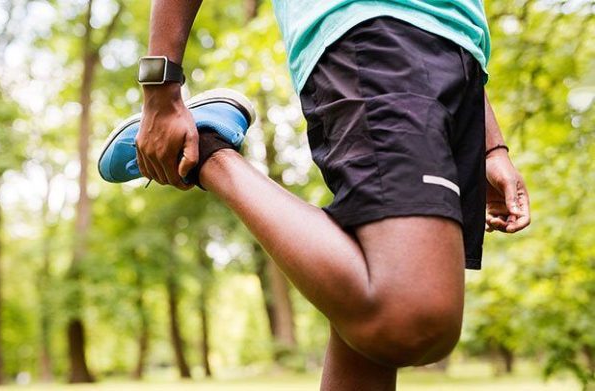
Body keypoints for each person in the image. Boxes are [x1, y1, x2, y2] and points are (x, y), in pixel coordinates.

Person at [100, 1, 531, 389]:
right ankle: (211, 152)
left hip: (455, 59)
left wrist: (490, 142)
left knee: (364, 350)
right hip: (375, 30)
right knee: (411, 320)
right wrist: (161, 87)